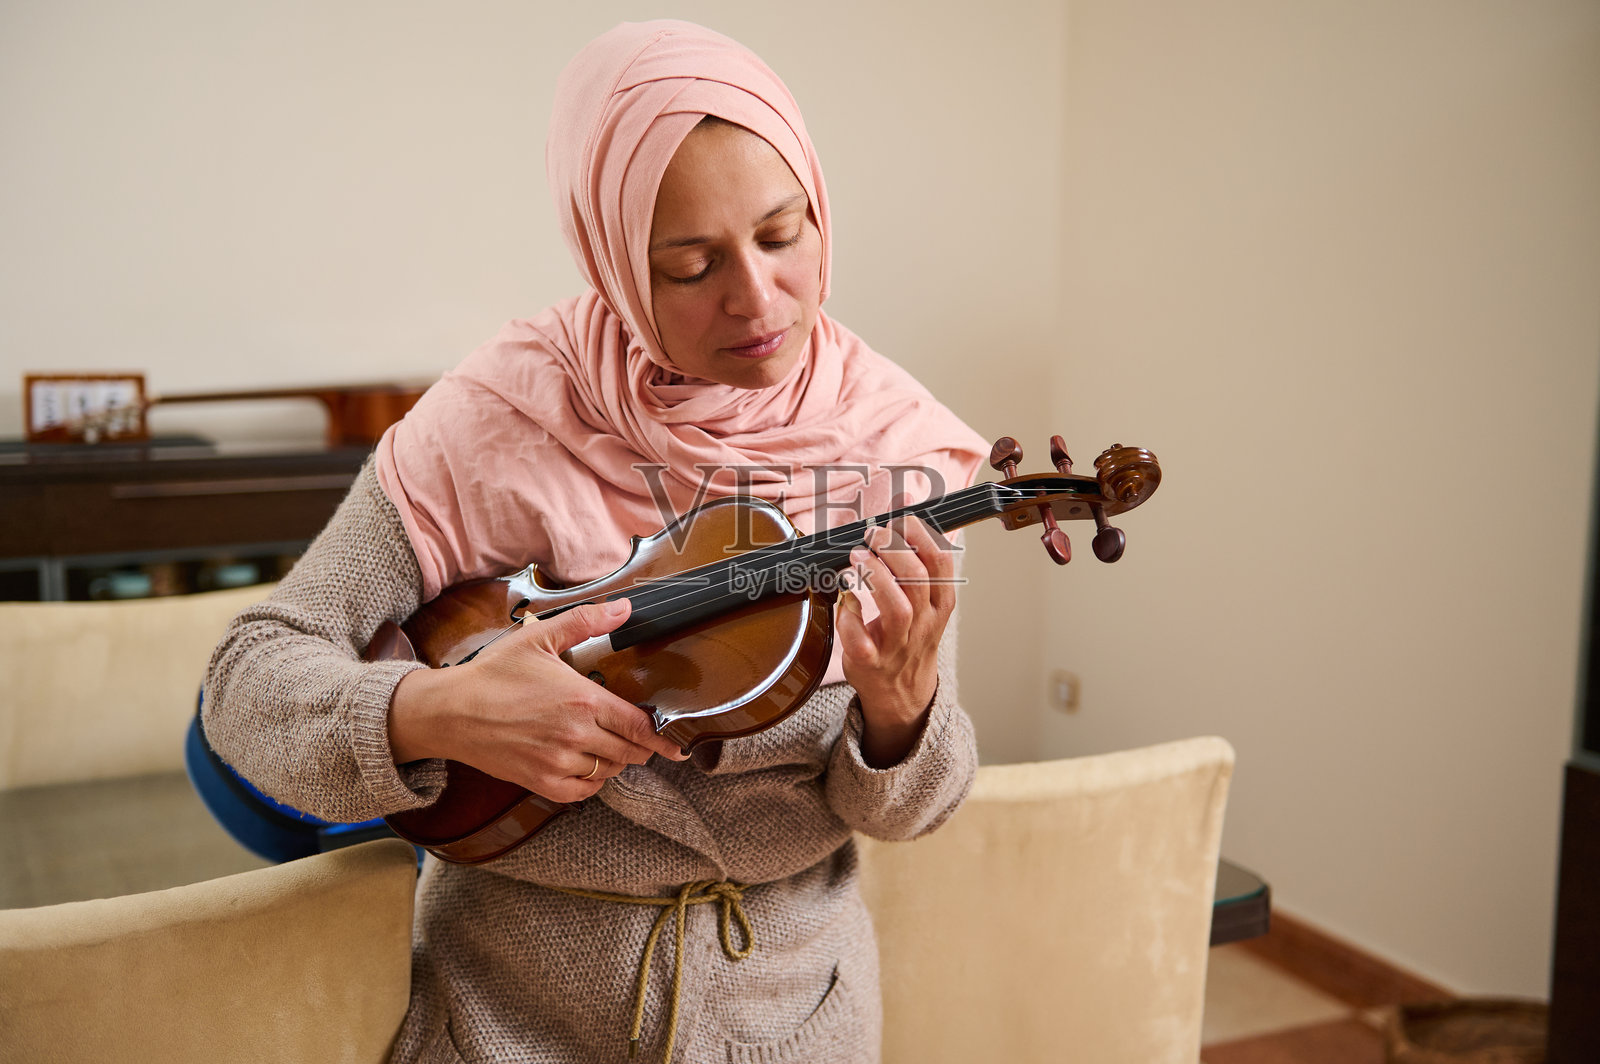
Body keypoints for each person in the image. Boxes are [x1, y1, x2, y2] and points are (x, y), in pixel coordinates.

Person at [204, 19, 988, 1064]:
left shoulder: (896, 446)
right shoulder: (495, 416)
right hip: (501, 1024)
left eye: (782, 233)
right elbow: (245, 685)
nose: (756, 299)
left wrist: (901, 713)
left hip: (796, 1022)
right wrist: (437, 709)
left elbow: (906, 809)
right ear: (614, 260)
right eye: (688, 262)